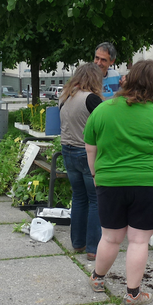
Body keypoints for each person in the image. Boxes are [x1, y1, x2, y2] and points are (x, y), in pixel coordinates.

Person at [84, 60, 153, 305]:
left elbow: (90, 148)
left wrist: (96, 175)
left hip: (110, 182)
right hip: (150, 184)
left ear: (127, 79)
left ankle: (97, 279)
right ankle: (133, 294)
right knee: (139, 241)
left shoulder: (103, 110)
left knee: (110, 238)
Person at [59, 63, 104, 261]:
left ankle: (78, 243)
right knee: (95, 200)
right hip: (85, 153)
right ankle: (93, 248)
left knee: (78, 197)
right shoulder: (92, 99)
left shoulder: (65, 97)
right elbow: (106, 121)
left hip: (67, 151)